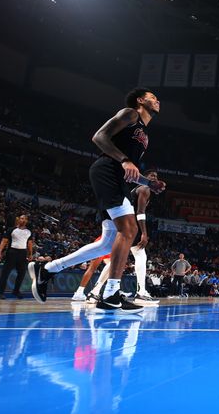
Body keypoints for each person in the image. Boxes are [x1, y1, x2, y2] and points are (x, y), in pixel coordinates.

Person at [29, 87, 165, 313]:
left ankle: (48, 269)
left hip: (118, 177)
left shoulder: (145, 133)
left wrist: (149, 183)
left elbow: (129, 169)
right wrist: (124, 160)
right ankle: (111, 293)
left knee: (107, 243)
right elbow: (99, 137)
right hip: (107, 172)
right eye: (152, 97)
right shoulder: (130, 114)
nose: (157, 100)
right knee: (129, 230)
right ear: (141, 101)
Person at [130, 169, 159, 305]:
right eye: (151, 175)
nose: (154, 177)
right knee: (141, 256)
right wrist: (144, 233)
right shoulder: (145, 188)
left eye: (156, 176)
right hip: (131, 224)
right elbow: (140, 212)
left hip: (123, 222)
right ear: (145, 177)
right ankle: (140, 293)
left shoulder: (137, 188)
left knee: (114, 258)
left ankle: (95, 291)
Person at [0, 214, 33, 299]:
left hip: (23, 253)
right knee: (5, 273)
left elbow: (30, 243)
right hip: (12, 252)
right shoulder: (11, 230)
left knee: (22, 273)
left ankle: (16, 291)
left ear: (26, 221)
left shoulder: (29, 231)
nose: (23, 220)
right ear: (18, 220)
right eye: (21, 218)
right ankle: (0, 293)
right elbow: (4, 241)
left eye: (24, 219)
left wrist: (30, 254)